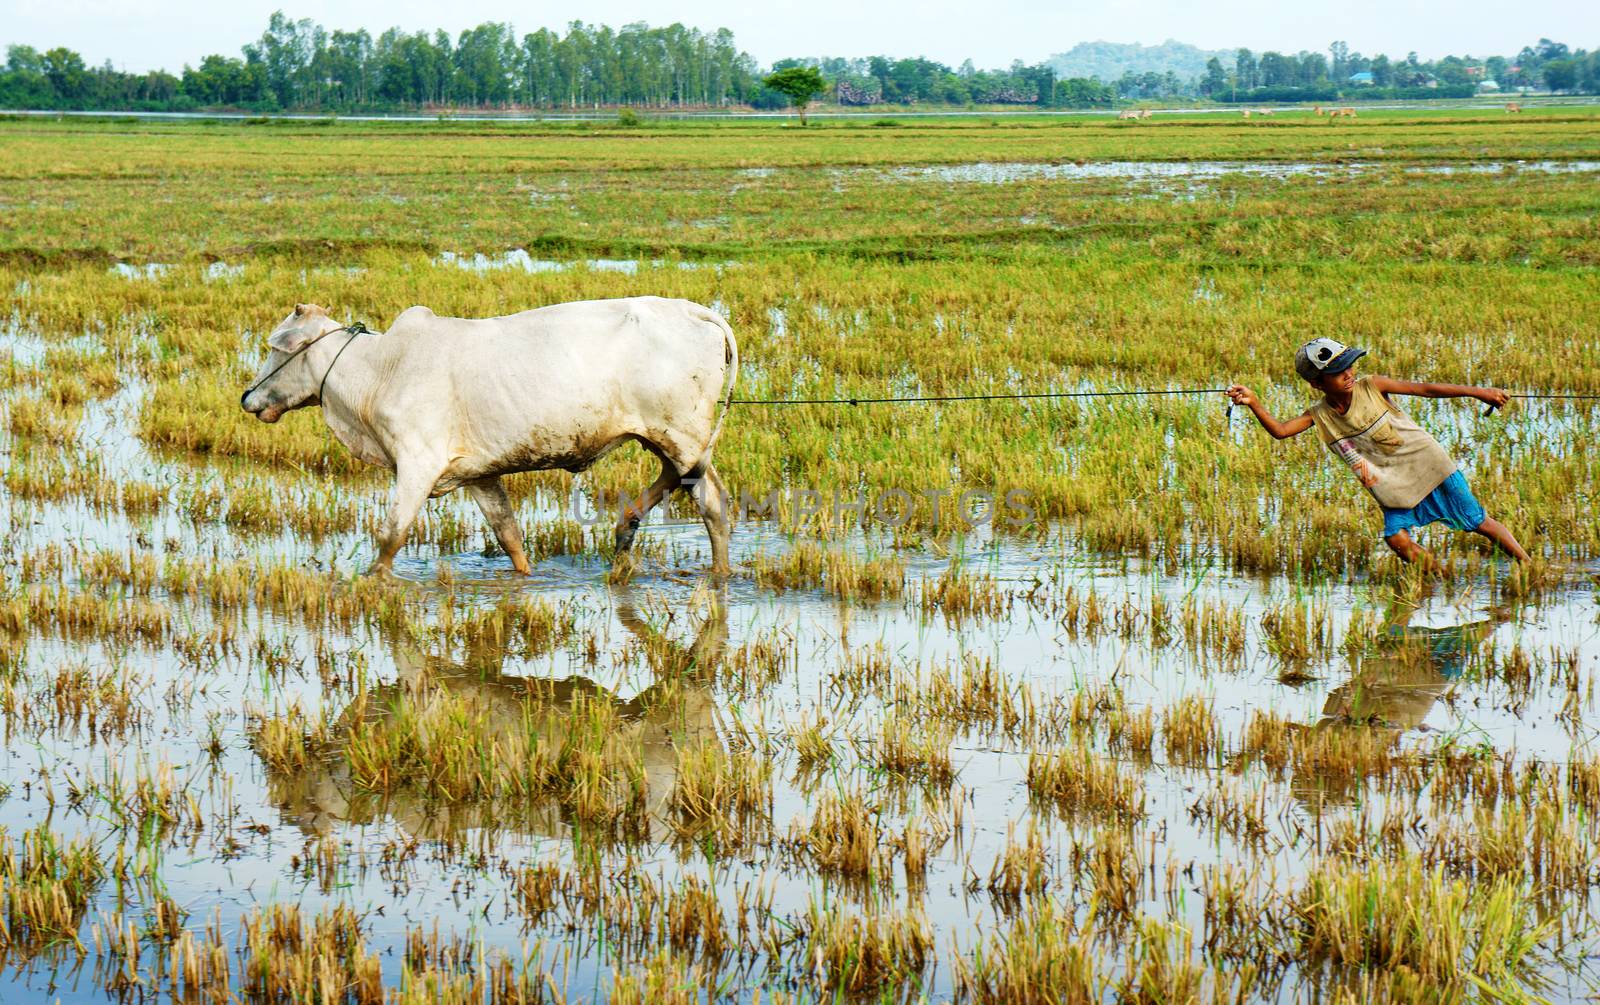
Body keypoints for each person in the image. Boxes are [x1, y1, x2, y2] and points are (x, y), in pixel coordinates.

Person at [1226, 338, 1529, 565]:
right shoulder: (1319, 414)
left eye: (1349, 365)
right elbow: (1280, 431)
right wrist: (1253, 402)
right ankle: (1440, 577)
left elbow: (1426, 389)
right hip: (1390, 483)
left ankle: (1527, 564)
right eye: (1338, 371)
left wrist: (1479, 393)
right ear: (1317, 383)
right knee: (1395, 538)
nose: (1349, 373)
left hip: (1430, 465)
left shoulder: (1372, 386)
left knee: (1477, 521)